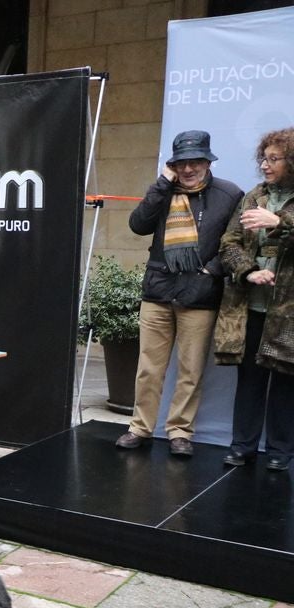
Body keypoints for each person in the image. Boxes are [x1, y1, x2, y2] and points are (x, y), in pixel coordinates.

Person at [115, 130, 242, 457]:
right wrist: (162, 183)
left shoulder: (229, 195)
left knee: (190, 370)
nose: (188, 169)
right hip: (158, 292)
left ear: (208, 161)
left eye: (195, 161)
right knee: (148, 368)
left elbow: (236, 242)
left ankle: (180, 431)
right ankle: (139, 428)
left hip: (199, 296)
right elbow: (138, 224)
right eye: (181, 163)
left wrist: (211, 270)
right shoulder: (163, 191)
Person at [214, 127, 294, 471]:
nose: (265, 164)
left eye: (274, 159)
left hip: (289, 312)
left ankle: (280, 452)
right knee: (249, 380)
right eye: (264, 157)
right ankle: (242, 446)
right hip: (252, 306)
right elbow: (227, 244)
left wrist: (278, 222)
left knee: (286, 382)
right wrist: (248, 271)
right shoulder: (253, 197)